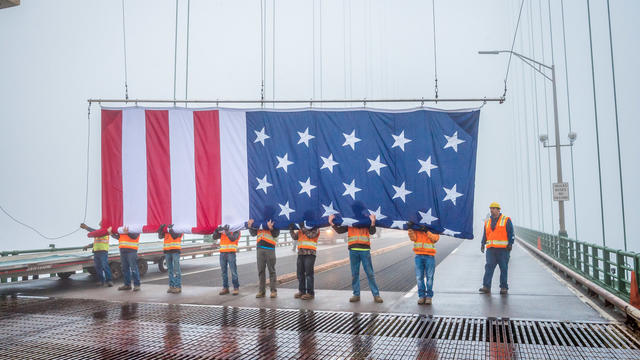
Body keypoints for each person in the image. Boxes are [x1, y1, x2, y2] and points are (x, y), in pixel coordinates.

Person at [328, 213, 383, 303]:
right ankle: (356, 294)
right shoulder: (349, 221)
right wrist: (331, 223)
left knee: (370, 273)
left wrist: (372, 222)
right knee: (354, 274)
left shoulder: (366, 219)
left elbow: (372, 232)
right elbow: (340, 230)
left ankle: (376, 295)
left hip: (364, 250)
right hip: (353, 250)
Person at [479, 202, 514, 295]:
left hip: (503, 250)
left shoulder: (506, 220)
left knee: (503, 269)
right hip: (491, 250)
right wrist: (482, 244)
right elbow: (485, 234)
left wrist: (510, 243)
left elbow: (511, 233)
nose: (492, 210)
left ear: (499, 210)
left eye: (494, 208)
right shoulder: (487, 222)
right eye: (491, 208)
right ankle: (486, 286)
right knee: (488, 267)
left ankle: (504, 287)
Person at [406, 221, 440, 305]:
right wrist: (410, 229)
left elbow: (435, 239)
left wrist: (426, 231)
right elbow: (413, 238)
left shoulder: (433, 227)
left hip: (430, 256)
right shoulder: (416, 227)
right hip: (418, 256)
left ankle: (429, 297)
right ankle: (421, 296)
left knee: (429, 277)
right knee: (419, 277)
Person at [247, 219, 280, 298]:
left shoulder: (274, 220)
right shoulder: (259, 220)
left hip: (270, 249)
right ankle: (261, 291)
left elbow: (276, 234)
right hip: (259, 248)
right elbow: (253, 234)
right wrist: (250, 226)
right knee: (261, 271)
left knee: (271, 270)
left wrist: (271, 228)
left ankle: (273, 291)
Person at [289, 221, 320, 300]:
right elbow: (295, 237)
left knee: (309, 274)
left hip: (310, 254)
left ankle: (310, 293)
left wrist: (303, 227)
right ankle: (302, 291)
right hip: (301, 253)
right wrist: (291, 230)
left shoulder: (315, 228)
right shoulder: (300, 229)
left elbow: (310, 236)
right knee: (300, 274)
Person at [107, 226, 141, 291]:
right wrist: (111, 234)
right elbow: (119, 237)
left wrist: (127, 233)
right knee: (124, 268)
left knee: (133, 268)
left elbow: (135, 236)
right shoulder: (122, 227)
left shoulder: (136, 226)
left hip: (132, 250)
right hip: (123, 250)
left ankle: (137, 285)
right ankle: (127, 285)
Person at [80, 222, 113, 287]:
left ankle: (109, 281)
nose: (100, 223)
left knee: (105, 266)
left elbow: (94, 231)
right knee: (98, 267)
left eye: (101, 222)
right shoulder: (98, 232)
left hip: (103, 251)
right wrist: (88, 246)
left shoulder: (105, 231)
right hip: (96, 251)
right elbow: (95, 242)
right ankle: (101, 281)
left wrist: (86, 227)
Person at [213, 224, 241, 295]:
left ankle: (236, 288)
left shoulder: (236, 230)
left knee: (233, 271)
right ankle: (225, 288)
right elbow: (214, 237)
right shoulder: (223, 229)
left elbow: (233, 239)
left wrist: (227, 231)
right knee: (223, 272)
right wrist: (216, 231)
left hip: (231, 253)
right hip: (222, 253)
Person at [158, 224, 183, 294]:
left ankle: (178, 287)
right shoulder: (167, 227)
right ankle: (171, 286)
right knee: (170, 270)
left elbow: (175, 236)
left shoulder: (180, 228)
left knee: (176, 269)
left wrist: (170, 229)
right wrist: (160, 229)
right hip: (167, 250)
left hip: (175, 250)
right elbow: (160, 236)